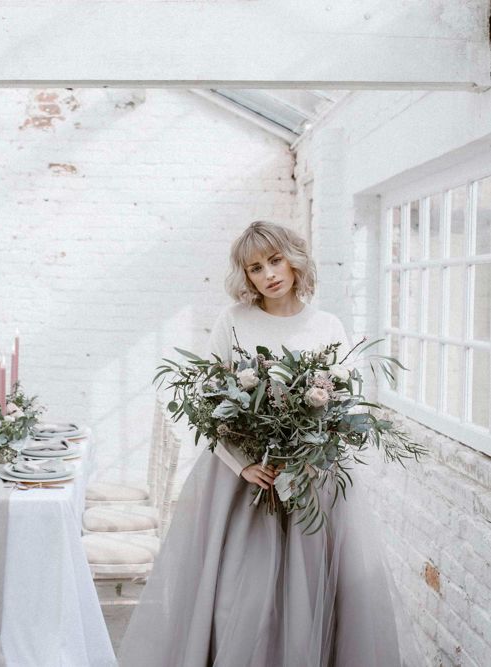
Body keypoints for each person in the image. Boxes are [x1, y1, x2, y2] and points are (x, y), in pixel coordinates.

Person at [117, 221, 424, 667]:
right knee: (239, 599)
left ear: (295, 259)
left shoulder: (328, 324)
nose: (269, 274)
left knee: (317, 592)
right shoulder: (234, 321)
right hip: (243, 484)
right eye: (256, 267)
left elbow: (345, 403)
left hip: (312, 482)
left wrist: (309, 462)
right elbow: (210, 407)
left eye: (275, 260)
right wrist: (242, 464)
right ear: (246, 276)